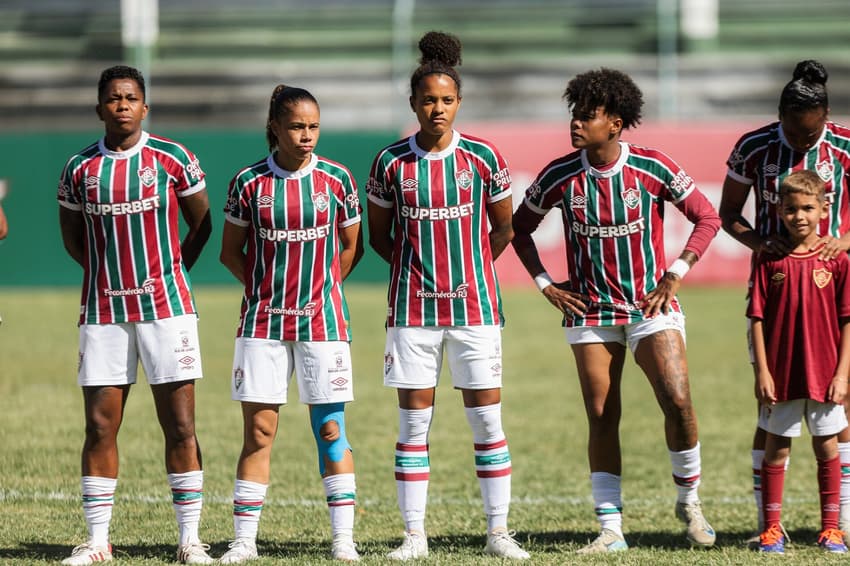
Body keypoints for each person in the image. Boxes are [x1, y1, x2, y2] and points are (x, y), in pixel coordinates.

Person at [511, 68, 720, 553]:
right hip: (590, 313)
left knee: (678, 400)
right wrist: (546, 285)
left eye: (588, 116)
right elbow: (518, 230)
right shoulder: (560, 175)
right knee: (602, 414)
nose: (576, 123)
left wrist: (676, 272)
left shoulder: (652, 167)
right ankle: (611, 529)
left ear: (616, 124)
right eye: (574, 114)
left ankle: (690, 502)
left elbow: (707, 217)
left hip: (649, 306)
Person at [366, 30, 529, 561]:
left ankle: (498, 532)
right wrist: (416, 273)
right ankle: (414, 536)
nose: (437, 108)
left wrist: (471, 269)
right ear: (413, 103)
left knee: (486, 420)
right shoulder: (390, 162)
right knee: (413, 423)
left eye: (447, 100)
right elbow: (379, 237)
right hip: (412, 312)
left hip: (474, 308)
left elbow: (504, 228)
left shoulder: (483, 157)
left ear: (459, 102)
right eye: (428, 100)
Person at [57, 65, 213, 565]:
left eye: (130, 98)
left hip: (166, 309)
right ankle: (97, 541)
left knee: (181, 426)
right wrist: (108, 277)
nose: (122, 105)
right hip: (104, 311)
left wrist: (170, 273)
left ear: (145, 107)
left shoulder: (173, 158)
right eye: (113, 98)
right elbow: (73, 239)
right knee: (100, 426)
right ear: (99, 108)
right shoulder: (79, 168)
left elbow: (202, 224)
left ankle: (190, 540)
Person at [218, 84, 364, 564]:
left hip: (323, 324)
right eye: (297, 127)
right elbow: (230, 252)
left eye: (313, 127)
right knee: (259, 432)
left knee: (331, 430)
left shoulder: (337, 180)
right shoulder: (248, 182)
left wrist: (321, 290)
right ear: (275, 128)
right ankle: (244, 542)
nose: (307, 136)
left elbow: (352, 246)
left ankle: (343, 540)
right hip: (262, 324)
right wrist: (266, 291)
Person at [718, 59, 850, 543]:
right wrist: (760, 244)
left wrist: (845, 242)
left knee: (838, 401)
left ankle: (840, 519)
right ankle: (767, 521)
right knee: (773, 406)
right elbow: (729, 213)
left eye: (809, 134)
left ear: (826, 117)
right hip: (777, 286)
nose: (800, 141)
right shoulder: (753, 147)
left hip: (832, 281)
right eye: (792, 133)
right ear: (780, 117)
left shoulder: (845, 145)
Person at [748, 170, 850, 554]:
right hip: (782, 373)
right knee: (777, 448)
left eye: (808, 208)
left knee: (827, 447)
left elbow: (847, 320)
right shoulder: (768, 259)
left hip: (825, 373)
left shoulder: (837, 261)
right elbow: (756, 319)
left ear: (824, 210)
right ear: (779, 211)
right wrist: (762, 371)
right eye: (791, 209)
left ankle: (831, 530)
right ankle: (771, 530)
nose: (799, 216)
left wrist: (842, 374)